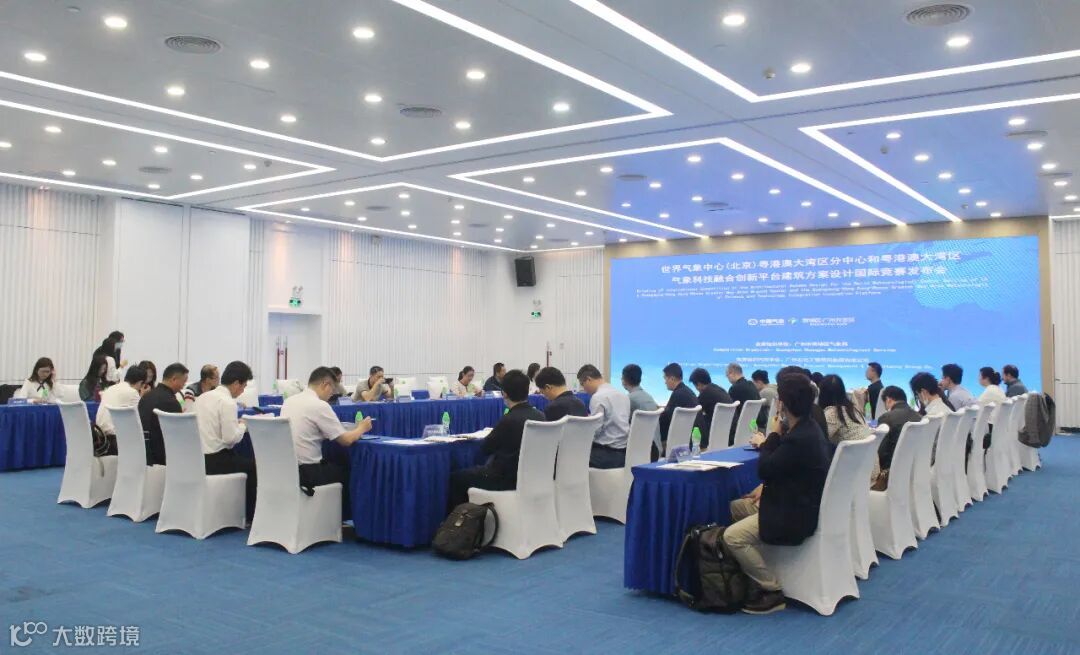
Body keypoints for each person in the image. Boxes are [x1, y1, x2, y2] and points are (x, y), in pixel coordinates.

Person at [723, 370, 831, 614]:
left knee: (732, 537)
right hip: (799, 503)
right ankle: (750, 570)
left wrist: (772, 435)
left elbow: (765, 469)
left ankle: (770, 589)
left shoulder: (797, 438)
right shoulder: (809, 429)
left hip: (792, 515)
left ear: (783, 404)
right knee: (735, 506)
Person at [281, 367, 374, 521]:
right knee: (352, 473)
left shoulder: (289, 402)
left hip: (288, 469)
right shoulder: (319, 405)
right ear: (325, 384)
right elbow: (346, 440)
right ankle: (344, 521)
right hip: (308, 473)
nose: (332, 394)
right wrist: (361, 428)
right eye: (332, 389)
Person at [448, 370, 545, 508]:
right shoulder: (541, 416)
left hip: (506, 478)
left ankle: (463, 520)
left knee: (457, 478)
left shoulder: (509, 420)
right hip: (533, 477)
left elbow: (485, 449)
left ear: (504, 393)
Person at [195, 361, 257, 520]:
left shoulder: (201, 398)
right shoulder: (227, 402)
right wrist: (243, 426)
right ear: (236, 383)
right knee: (254, 466)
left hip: (198, 459)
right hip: (216, 461)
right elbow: (230, 439)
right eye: (243, 386)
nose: (243, 391)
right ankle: (250, 516)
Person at [818, 374, 879, 480]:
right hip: (871, 472)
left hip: (853, 476)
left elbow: (818, 441)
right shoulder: (854, 410)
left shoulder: (833, 413)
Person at [576, 365, 631, 469]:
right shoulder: (623, 395)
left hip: (606, 455)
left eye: (582, 384)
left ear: (588, 379)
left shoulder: (598, 397)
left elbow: (595, 431)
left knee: (570, 457)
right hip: (625, 453)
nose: (584, 389)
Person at [138, 362, 188, 465]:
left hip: (143, 455)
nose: (183, 386)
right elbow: (179, 436)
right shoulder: (171, 402)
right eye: (183, 382)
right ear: (174, 379)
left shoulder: (146, 397)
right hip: (162, 458)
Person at [96, 365, 147, 455]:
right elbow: (139, 420)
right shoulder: (133, 392)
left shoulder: (111, 388)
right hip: (115, 441)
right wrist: (142, 397)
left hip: (99, 438)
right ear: (140, 383)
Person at [875, 385, 923, 478]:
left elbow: (881, 452)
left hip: (891, 473)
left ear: (888, 400)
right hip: (915, 469)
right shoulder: (919, 417)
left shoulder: (886, 417)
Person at [688, 367, 732, 450]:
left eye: (695, 386)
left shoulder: (705, 394)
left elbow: (694, 410)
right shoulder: (719, 389)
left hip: (716, 436)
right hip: (729, 434)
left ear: (699, 384)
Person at [658, 363, 698, 450]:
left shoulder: (677, 394)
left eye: (665, 378)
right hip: (692, 441)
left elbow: (664, 420)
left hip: (678, 445)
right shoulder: (688, 391)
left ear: (672, 379)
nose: (665, 382)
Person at [727, 362, 766, 442]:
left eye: (727, 375)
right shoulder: (751, 385)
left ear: (731, 373)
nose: (727, 378)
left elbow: (730, 414)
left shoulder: (734, 389)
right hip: (758, 427)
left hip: (742, 432)